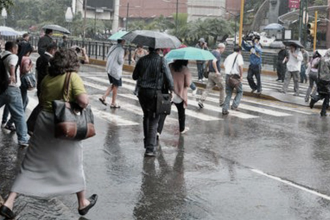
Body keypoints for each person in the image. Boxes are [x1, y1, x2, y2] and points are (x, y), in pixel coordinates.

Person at [0, 49, 98, 219]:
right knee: (74, 163)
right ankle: (82, 202)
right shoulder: (72, 77)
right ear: (72, 63)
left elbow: (42, 98)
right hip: (64, 124)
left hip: (43, 121)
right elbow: (83, 101)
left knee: (31, 162)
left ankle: (9, 202)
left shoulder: (47, 78)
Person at [132, 47, 174, 157]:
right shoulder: (162, 60)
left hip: (142, 92)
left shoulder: (142, 60)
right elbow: (169, 77)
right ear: (159, 50)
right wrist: (171, 90)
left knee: (146, 115)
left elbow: (134, 76)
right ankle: (150, 148)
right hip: (155, 93)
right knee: (154, 119)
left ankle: (147, 143)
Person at [0, 41, 29, 146]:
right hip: (12, 89)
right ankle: (23, 139)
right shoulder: (13, 56)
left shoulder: (1, 55)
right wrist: (12, 75)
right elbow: (12, 64)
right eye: (16, 49)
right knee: (19, 115)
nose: (17, 52)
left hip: (2, 87)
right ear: (13, 49)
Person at [2, 46, 34, 131]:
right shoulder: (22, 58)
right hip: (17, 85)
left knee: (9, 104)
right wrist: (31, 67)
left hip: (8, 86)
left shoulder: (6, 56)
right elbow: (24, 69)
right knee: (20, 111)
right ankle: (11, 125)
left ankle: (4, 120)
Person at [157, 60, 191, 136]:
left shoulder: (170, 66)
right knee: (181, 112)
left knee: (163, 113)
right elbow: (188, 84)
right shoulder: (185, 69)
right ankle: (182, 129)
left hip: (169, 93)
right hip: (180, 94)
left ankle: (158, 131)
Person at [99, 39, 125, 108]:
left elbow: (107, 55)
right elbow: (120, 61)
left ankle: (104, 97)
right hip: (115, 70)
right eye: (124, 41)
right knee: (116, 86)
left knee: (113, 84)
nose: (124, 42)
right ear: (122, 41)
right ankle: (113, 103)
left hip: (109, 69)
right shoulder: (121, 49)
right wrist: (124, 57)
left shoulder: (113, 47)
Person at [198, 43, 226, 108]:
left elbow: (207, 62)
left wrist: (206, 69)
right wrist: (217, 71)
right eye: (224, 49)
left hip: (210, 73)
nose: (223, 50)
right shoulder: (218, 54)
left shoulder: (212, 52)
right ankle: (222, 102)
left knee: (208, 88)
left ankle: (201, 101)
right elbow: (214, 62)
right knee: (222, 87)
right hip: (215, 74)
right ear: (221, 48)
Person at [222, 46, 244, 115]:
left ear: (233, 50)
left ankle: (225, 109)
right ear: (240, 51)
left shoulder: (229, 56)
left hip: (228, 76)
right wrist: (241, 76)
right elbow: (240, 66)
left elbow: (224, 64)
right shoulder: (239, 56)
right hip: (235, 77)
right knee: (240, 91)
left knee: (228, 93)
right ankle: (234, 105)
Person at [310, 49, 330, 117]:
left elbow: (314, 66)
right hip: (327, 80)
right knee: (326, 94)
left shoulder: (321, 59)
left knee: (324, 94)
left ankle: (323, 111)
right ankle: (315, 99)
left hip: (320, 79)